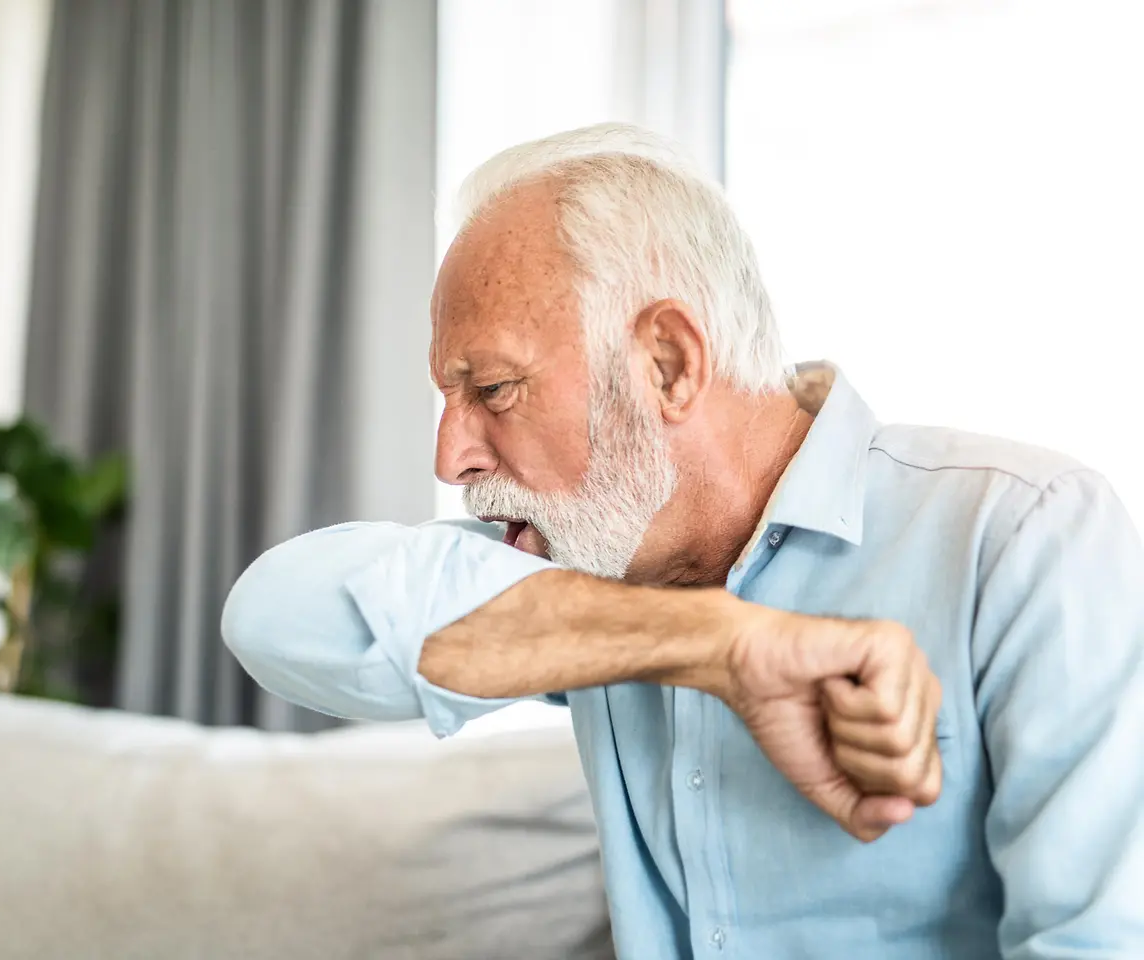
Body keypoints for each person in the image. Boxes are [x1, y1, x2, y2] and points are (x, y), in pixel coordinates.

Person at [221, 124, 1144, 958]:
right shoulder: (597, 572)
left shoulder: (1024, 532)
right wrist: (724, 646)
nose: (451, 455)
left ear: (667, 363)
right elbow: (272, 617)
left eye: (492, 390)